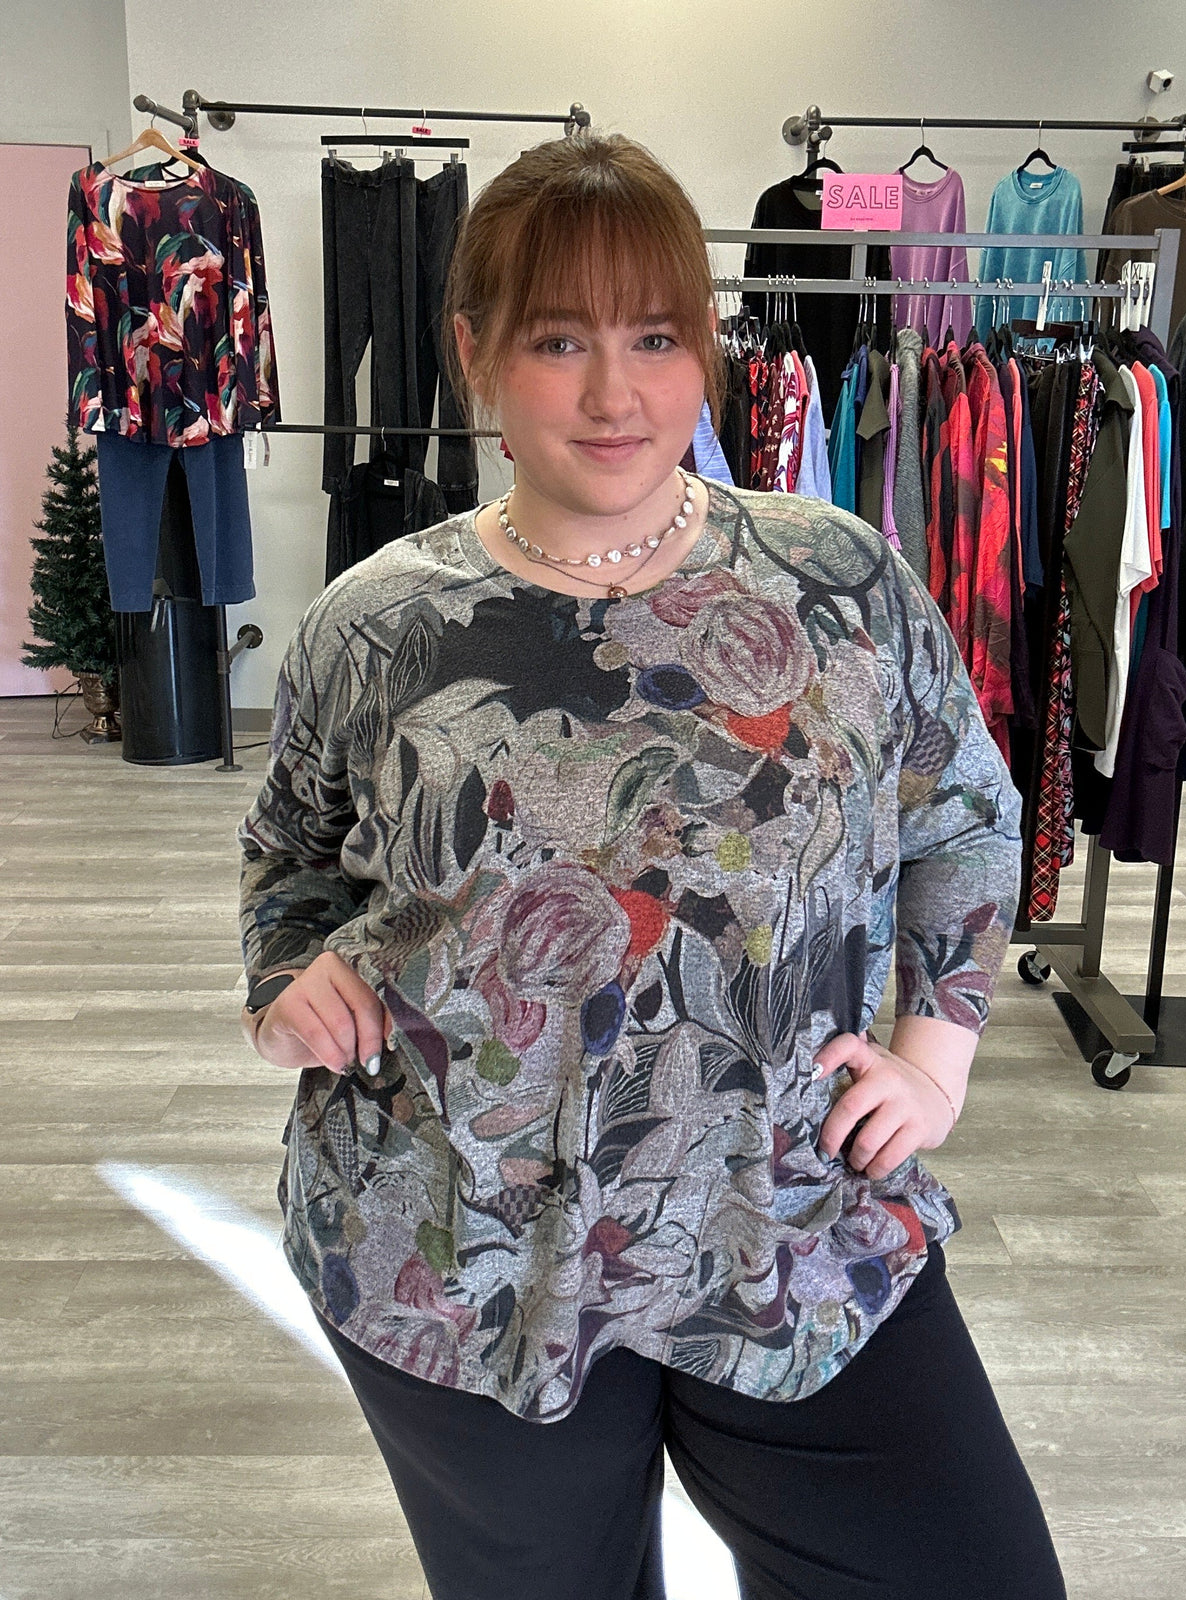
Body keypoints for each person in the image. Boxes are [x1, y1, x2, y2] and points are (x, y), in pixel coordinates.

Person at [236, 132, 1068, 1600]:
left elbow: (967, 817)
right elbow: (294, 856)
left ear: (706, 353)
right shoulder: (378, 625)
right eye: (559, 340)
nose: (614, 394)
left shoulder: (836, 580)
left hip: (789, 1216)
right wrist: (285, 984)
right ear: (475, 353)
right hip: (457, 1239)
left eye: (655, 337)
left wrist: (936, 1057)